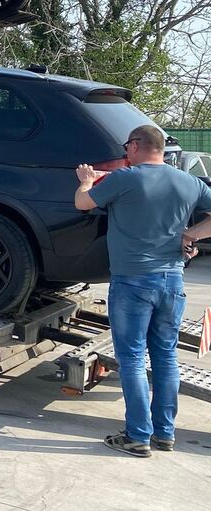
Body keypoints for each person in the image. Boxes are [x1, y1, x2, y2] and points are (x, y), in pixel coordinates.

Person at [75, 124, 211, 457]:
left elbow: (82, 204)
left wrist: (87, 181)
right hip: (172, 283)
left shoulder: (127, 178)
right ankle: (164, 434)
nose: (125, 152)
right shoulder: (190, 182)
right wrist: (191, 235)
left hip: (132, 282)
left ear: (136, 145)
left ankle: (137, 436)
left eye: (126, 146)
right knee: (165, 358)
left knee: (133, 360)